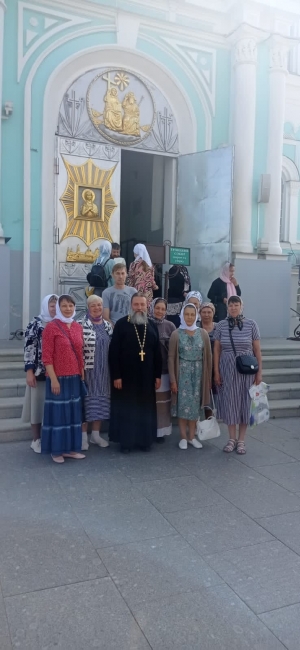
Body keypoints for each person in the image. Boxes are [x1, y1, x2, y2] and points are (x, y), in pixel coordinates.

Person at [109, 293, 162, 453]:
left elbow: (157, 353)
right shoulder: (121, 324)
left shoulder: (151, 325)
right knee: (127, 408)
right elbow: (113, 352)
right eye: (136, 305)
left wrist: (157, 375)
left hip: (147, 376)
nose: (139, 308)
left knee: (145, 408)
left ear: (147, 306)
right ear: (131, 306)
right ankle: (126, 442)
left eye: (142, 305)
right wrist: (116, 375)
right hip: (126, 377)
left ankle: (144, 441)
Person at [214, 295, 262, 455]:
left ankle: (241, 440)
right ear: (227, 307)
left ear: (242, 306)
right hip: (227, 368)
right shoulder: (221, 325)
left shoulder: (251, 324)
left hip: (246, 370)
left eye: (236, 305)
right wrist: (216, 371)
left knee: (244, 403)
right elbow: (217, 350)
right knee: (230, 402)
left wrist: (259, 372)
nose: (233, 307)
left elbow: (257, 350)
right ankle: (231, 438)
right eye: (230, 305)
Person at [41, 295, 86, 464]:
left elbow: (80, 351)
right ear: (59, 308)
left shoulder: (77, 326)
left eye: (71, 305)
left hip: (74, 377)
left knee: (73, 415)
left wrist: (82, 371)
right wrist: (53, 379)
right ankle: (57, 450)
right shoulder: (51, 327)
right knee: (59, 416)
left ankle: (71, 449)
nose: (68, 308)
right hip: (57, 378)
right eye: (64, 305)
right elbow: (47, 356)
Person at [169, 303, 212, 450]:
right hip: (182, 373)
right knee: (182, 405)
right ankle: (182, 437)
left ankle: (192, 437)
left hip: (199, 374)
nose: (189, 317)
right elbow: (171, 357)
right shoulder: (176, 334)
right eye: (187, 314)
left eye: (192, 314)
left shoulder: (203, 334)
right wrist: (173, 380)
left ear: (196, 316)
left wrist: (208, 380)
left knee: (195, 406)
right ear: (182, 315)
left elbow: (208, 358)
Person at [22, 294, 58, 453]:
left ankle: (50, 437)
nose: (54, 309)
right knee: (37, 407)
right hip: (39, 372)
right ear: (45, 306)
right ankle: (36, 439)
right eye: (51, 306)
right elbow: (29, 347)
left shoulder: (61, 322)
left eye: (56, 306)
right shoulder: (35, 323)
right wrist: (29, 371)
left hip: (58, 373)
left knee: (51, 408)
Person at [80, 295, 113, 451]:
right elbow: (78, 349)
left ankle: (96, 435)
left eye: (99, 305)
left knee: (101, 401)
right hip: (89, 370)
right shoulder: (81, 325)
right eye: (93, 305)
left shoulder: (108, 325)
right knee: (87, 402)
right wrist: (81, 369)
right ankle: (83, 437)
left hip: (105, 370)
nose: (97, 308)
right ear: (88, 307)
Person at [149, 298, 176, 442]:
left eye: (163, 309)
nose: (159, 311)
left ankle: (161, 431)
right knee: (150, 402)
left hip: (165, 371)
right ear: (152, 308)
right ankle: (150, 430)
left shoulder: (170, 326)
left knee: (163, 403)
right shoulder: (146, 323)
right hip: (149, 370)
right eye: (157, 308)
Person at [127, 243, 158, 309]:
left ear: (137, 253)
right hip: (148, 291)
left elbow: (130, 279)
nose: (134, 254)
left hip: (137, 290)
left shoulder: (133, 264)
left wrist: (128, 290)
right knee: (147, 308)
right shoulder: (150, 265)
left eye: (134, 252)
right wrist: (155, 286)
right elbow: (152, 279)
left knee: (137, 308)